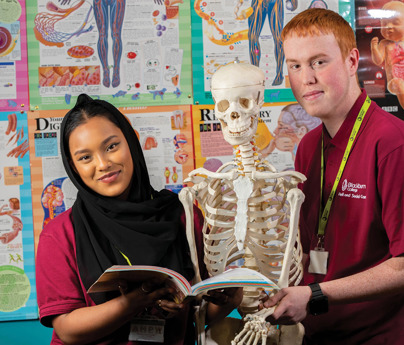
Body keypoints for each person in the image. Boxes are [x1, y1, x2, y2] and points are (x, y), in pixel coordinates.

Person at [36, 94, 242, 345]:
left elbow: (199, 315)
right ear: (73, 166)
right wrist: (135, 301)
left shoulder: (184, 215)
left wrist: (231, 298)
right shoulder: (60, 234)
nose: (103, 164)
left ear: (131, 141)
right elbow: (67, 329)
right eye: (85, 157)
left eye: (111, 146)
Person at [260, 8, 404, 344]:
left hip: (377, 336)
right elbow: (311, 250)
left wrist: (315, 295)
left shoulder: (392, 142)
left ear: (353, 61)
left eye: (319, 62)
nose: (305, 78)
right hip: (319, 333)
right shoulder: (309, 146)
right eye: (295, 65)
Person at [371, 1, 404, 110]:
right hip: (395, 81)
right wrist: (374, 48)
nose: (389, 26)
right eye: (384, 23)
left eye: (395, 22)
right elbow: (378, 60)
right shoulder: (384, 44)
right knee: (399, 84)